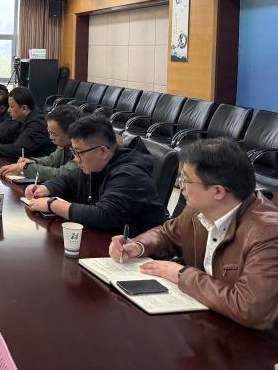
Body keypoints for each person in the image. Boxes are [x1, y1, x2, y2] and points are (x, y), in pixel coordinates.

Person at [109, 138, 278, 332]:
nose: (181, 186)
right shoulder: (198, 210)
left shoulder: (267, 233)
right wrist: (138, 246)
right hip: (205, 319)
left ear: (217, 191)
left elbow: (250, 308)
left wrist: (182, 275)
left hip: (249, 339)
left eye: (186, 179)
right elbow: (167, 234)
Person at [24, 114, 165, 234]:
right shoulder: (96, 165)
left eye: (78, 152)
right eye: (73, 152)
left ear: (102, 151)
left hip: (136, 250)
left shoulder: (130, 175)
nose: (75, 159)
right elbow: (68, 179)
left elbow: (103, 215)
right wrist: (47, 188)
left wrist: (52, 204)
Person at [0, 104, 83, 180]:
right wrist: (33, 162)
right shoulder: (64, 144)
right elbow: (52, 160)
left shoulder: (83, 149)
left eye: (54, 134)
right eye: (49, 133)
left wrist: (26, 168)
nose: (50, 137)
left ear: (70, 132)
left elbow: (62, 174)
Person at [0, 87, 54, 160]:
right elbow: (4, 136)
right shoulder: (22, 119)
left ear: (24, 109)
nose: (8, 110)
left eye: (11, 107)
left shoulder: (37, 124)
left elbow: (18, 149)